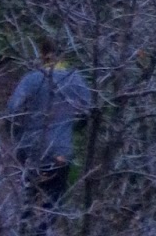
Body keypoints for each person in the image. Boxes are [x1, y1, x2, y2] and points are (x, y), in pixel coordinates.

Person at [5, 41, 91, 235]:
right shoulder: (75, 80)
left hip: (30, 148)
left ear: (42, 55)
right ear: (64, 56)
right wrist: (71, 127)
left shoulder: (31, 79)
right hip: (60, 150)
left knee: (27, 200)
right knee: (51, 202)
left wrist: (17, 136)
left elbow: (12, 110)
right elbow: (88, 111)